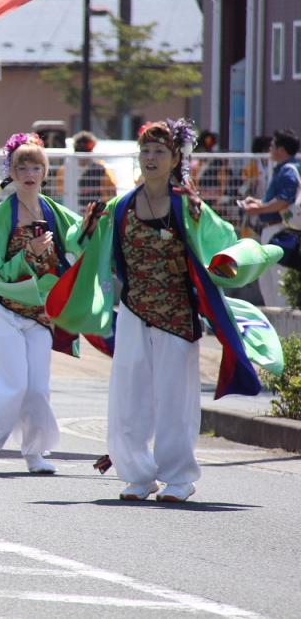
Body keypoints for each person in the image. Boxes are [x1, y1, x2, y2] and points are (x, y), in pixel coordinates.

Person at [47, 119, 282, 502]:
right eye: (145, 151)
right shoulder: (121, 207)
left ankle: (178, 478)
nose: (151, 158)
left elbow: (223, 243)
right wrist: (85, 230)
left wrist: (214, 238)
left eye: (159, 151)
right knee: (128, 396)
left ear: (175, 158)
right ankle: (137, 475)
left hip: (178, 316)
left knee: (176, 400)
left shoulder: (187, 207)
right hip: (135, 312)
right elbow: (82, 243)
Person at [0, 133, 91, 475]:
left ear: (45, 171)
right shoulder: (0, 216)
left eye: (36, 166)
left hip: (39, 312)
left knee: (37, 387)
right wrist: (27, 256)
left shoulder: (55, 211)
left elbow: (77, 242)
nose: (29, 172)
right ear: (12, 172)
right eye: (22, 166)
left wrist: (91, 226)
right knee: (10, 383)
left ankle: (35, 451)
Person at [241, 129, 301, 307]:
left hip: (280, 232)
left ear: (282, 150)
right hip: (276, 230)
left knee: (278, 285)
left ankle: (286, 333)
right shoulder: (285, 169)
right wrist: (259, 203)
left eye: (273, 146)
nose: (270, 149)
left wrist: (258, 208)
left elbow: (284, 200)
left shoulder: (287, 170)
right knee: (268, 284)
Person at [46, 131, 117, 211]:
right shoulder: (65, 170)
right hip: (73, 211)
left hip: (94, 212)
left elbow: (111, 192)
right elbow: (61, 192)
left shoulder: (102, 168)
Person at [237, 136, 273, 240]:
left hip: (269, 205)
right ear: (263, 150)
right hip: (255, 205)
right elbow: (243, 188)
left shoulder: (275, 165)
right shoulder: (252, 167)